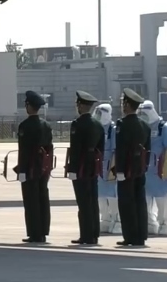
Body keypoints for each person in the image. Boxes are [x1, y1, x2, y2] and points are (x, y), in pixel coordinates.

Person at [66, 91, 104, 245]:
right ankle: (94, 233)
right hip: (93, 167)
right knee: (93, 201)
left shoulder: (78, 124)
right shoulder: (98, 125)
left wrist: (72, 169)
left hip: (81, 168)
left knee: (83, 203)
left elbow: (75, 149)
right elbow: (101, 149)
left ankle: (86, 235)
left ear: (81, 106)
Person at [15, 90, 54, 243]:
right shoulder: (46, 125)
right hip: (43, 167)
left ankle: (34, 233)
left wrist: (22, 170)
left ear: (29, 106)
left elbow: (24, 151)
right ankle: (43, 231)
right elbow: (49, 148)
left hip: (30, 168)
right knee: (43, 199)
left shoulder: (25, 126)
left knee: (31, 201)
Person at [113, 88, 150, 247]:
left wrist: (120, 170)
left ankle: (130, 236)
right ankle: (141, 235)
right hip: (140, 168)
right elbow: (148, 149)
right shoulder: (145, 125)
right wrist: (144, 166)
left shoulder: (123, 124)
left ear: (127, 105)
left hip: (126, 169)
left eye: (123, 103)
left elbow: (121, 149)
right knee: (140, 202)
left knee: (127, 203)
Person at [138, 100, 167, 236]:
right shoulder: (142, 128)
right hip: (146, 171)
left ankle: (166, 225)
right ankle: (150, 224)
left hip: (161, 171)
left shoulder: (164, 128)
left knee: (164, 201)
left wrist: (166, 168)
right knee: (146, 200)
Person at [94, 103, 122, 235]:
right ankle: (105, 220)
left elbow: (116, 151)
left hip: (110, 168)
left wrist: (113, 170)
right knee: (100, 197)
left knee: (112, 197)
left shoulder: (113, 130)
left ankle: (117, 221)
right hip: (98, 167)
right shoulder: (97, 128)